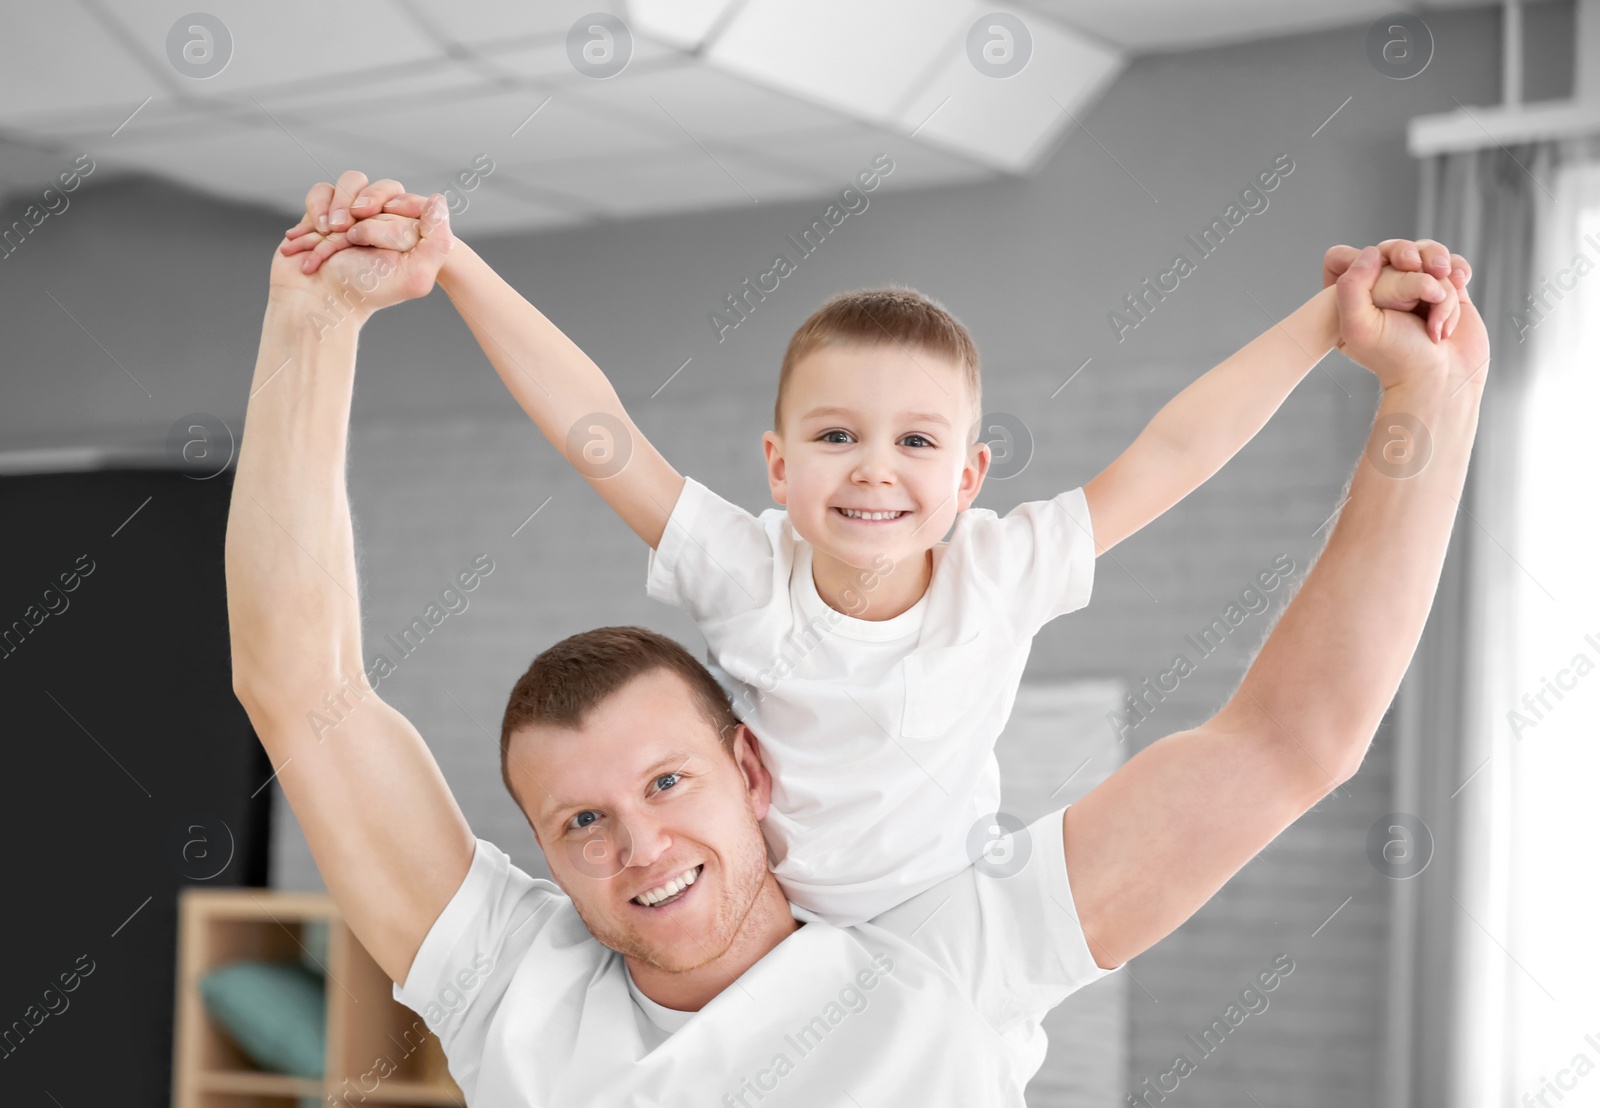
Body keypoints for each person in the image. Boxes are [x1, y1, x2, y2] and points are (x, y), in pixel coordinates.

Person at [227, 178, 1487, 1108]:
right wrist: (313, 322)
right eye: (581, 822)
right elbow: (300, 688)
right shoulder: (511, 985)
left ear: (752, 768)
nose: (640, 843)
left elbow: (1289, 741)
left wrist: (1428, 399)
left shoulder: (942, 959)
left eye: (668, 781)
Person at [283, 178, 1471, 923]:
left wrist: (1324, 324)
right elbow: (602, 433)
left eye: (914, 442)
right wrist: (460, 268)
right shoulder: (744, 569)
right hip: (772, 933)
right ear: (778, 466)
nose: (872, 469)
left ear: (967, 479)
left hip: (949, 924)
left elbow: (1169, 453)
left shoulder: (997, 571)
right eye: (837, 436)